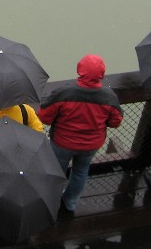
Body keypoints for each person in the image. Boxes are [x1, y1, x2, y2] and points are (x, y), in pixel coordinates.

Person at [37, 54, 123, 214]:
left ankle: (51, 202)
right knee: (81, 172)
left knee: (56, 172)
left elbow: (44, 117)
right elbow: (115, 122)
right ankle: (70, 203)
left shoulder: (63, 93)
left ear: (79, 70)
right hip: (90, 145)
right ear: (101, 74)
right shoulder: (109, 97)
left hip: (62, 143)